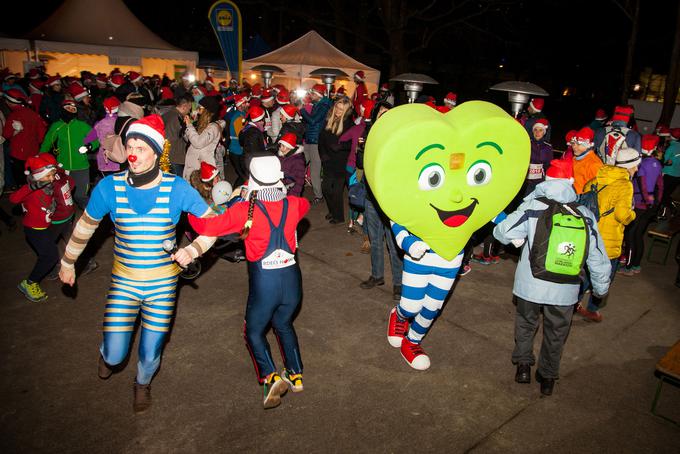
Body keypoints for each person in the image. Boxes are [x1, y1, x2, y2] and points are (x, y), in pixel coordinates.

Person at [58, 114, 216, 413]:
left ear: (157, 152)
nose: (133, 153)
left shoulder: (177, 188)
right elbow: (85, 226)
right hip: (124, 282)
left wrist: (193, 249)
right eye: (129, 145)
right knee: (116, 355)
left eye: (141, 148)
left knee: (150, 351)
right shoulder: (109, 187)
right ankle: (107, 357)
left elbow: (212, 226)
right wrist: (68, 262)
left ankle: (142, 384)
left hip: (163, 285)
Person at [188, 155, 310, 409]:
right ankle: (296, 374)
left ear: (251, 181)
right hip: (292, 282)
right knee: (283, 323)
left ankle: (270, 376)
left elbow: (205, 226)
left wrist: (187, 206)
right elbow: (306, 204)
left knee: (253, 331)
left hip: (265, 283)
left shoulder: (245, 211)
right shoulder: (294, 204)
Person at [493, 159, 611, 396]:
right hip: (565, 290)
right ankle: (547, 377)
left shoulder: (533, 206)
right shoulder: (585, 214)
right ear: (570, 182)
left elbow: (502, 233)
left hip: (531, 285)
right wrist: (600, 288)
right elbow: (597, 255)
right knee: (556, 332)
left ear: (546, 179)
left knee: (526, 324)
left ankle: (524, 367)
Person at [576, 148, 639, 322]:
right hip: (608, 239)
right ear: (630, 166)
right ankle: (592, 310)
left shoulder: (596, 178)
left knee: (587, 271)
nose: (637, 170)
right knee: (604, 276)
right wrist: (632, 215)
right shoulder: (625, 185)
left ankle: (573, 301)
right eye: (635, 166)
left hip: (589, 235)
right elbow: (622, 214)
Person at [356, 101, 403, 301]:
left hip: (390, 200)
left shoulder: (399, 138)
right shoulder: (368, 136)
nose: (384, 116)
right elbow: (361, 165)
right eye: (381, 112)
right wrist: (361, 149)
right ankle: (377, 276)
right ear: (375, 116)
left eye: (388, 113)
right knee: (374, 240)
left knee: (394, 244)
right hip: (370, 198)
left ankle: (399, 284)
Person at [10, 155, 59, 302]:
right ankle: (29, 283)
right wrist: (30, 187)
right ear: (37, 177)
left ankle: (48, 269)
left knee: (48, 253)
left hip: (45, 226)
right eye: (48, 176)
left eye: (52, 175)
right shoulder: (31, 189)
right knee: (50, 256)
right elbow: (13, 199)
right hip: (34, 229)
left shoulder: (48, 185)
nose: (51, 179)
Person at [620, 135, 664, 275]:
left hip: (640, 204)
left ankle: (628, 267)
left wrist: (644, 201)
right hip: (651, 206)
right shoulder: (657, 164)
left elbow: (642, 185)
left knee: (630, 234)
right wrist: (654, 203)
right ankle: (636, 265)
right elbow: (660, 186)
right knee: (639, 234)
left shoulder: (641, 164)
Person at [39, 100, 94, 209]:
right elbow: (47, 143)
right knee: (64, 196)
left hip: (81, 166)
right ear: (62, 109)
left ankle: (91, 215)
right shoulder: (56, 126)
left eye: (73, 109)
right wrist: (40, 159)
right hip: (63, 167)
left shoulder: (82, 125)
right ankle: (67, 217)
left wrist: (89, 146)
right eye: (68, 108)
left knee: (80, 195)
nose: (70, 111)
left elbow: (95, 137)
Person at [319, 97, 353, 223]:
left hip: (341, 162)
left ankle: (338, 217)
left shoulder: (349, 124)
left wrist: (341, 147)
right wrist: (322, 154)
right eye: (337, 108)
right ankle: (332, 211)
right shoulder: (328, 119)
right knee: (326, 188)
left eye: (341, 109)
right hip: (328, 160)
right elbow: (321, 139)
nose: (338, 111)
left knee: (337, 192)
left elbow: (353, 144)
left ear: (347, 111)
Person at [3, 89, 47, 187]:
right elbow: (42, 134)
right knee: (33, 177)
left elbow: (6, 134)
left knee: (21, 179)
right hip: (33, 151)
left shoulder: (13, 115)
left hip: (17, 154)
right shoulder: (33, 113)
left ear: (11, 102)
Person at [299, 84, 332, 204]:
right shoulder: (319, 104)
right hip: (310, 140)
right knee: (300, 165)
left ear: (318, 95)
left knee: (314, 171)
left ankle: (319, 196)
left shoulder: (323, 105)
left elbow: (313, 120)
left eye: (312, 93)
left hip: (316, 142)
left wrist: (302, 110)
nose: (310, 95)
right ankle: (297, 191)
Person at [182, 96, 225, 180]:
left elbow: (198, 143)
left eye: (200, 108)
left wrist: (189, 126)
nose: (198, 110)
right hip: (195, 165)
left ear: (207, 111)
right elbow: (189, 140)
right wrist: (187, 127)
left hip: (203, 168)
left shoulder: (213, 128)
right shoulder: (202, 124)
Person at [84, 96, 121, 177]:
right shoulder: (121, 122)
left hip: (105, 160)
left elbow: (88, 139)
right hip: (120, 158)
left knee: (108, 184)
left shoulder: (100, 123)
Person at [161, 94, 192, 177]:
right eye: (189, 108)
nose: (189, 111)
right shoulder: (176, 118)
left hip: (169, 156)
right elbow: (171, 137)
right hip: (173, 156)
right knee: (178, 180)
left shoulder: (169, 114)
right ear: (184, 106)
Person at [571, 127, 603, 195]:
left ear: (588, 146)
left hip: (582, 200)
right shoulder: (575, 158)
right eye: (573, 143)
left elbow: (597, 190)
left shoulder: (594, 164)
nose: (574, 147)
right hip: (572, 196)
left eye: (579, 144)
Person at [525, 119, 553, 195]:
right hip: (525, 180)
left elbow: (548, 165)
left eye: (540, 130)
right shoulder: (527, 143)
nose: (537, 132)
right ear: (533, 131)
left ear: (544, 132)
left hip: (539, 181)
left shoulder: (548, 147)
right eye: (535, 130)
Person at [227, 94, 249, 186]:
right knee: (244, 177)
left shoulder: (242, 116)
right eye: (245, 103)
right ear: (240, 105)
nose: (248, 104)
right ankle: (234, 195)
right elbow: (242, 136)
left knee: (243, 176)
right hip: (237, 152)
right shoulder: (239, 118)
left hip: (238, 151)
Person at [659, 128, 680, 220]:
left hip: (668, 174)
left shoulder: (671, 147)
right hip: (678, 175)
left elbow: (665, 161)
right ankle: (667, 211)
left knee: (662, 194)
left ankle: (669, 209)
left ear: (670, 137)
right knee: (666, 194)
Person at [277, 133, 305, 197]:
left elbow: (299, 180)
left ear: (290, 147)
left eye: (283, 146)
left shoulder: (297, 160)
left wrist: (294, 195)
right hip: (281, 189)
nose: (281, 148)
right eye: (280, 145)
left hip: (291, 191)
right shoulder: (282, 157)